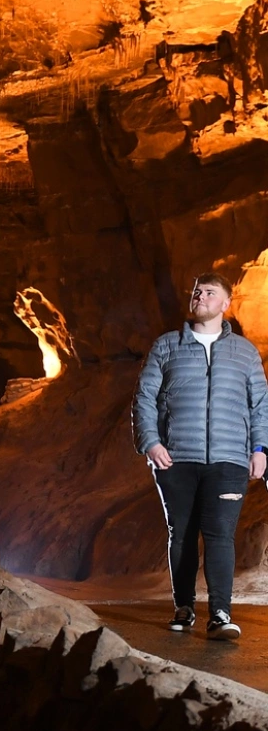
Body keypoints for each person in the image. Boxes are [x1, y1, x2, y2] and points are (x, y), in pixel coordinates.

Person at [132, 273, 268, 640]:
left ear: (226, 304)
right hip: (175, 458)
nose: (200, 297)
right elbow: (144, 397)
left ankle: (221, 614)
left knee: (221, 534)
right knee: (182, 533)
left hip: (229, 459)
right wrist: (151, 442)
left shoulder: (244, 352)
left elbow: (261, 405)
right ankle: (185, 606)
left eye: (210, 292)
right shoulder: (167, 346)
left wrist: (260, 449)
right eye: (196, 292)